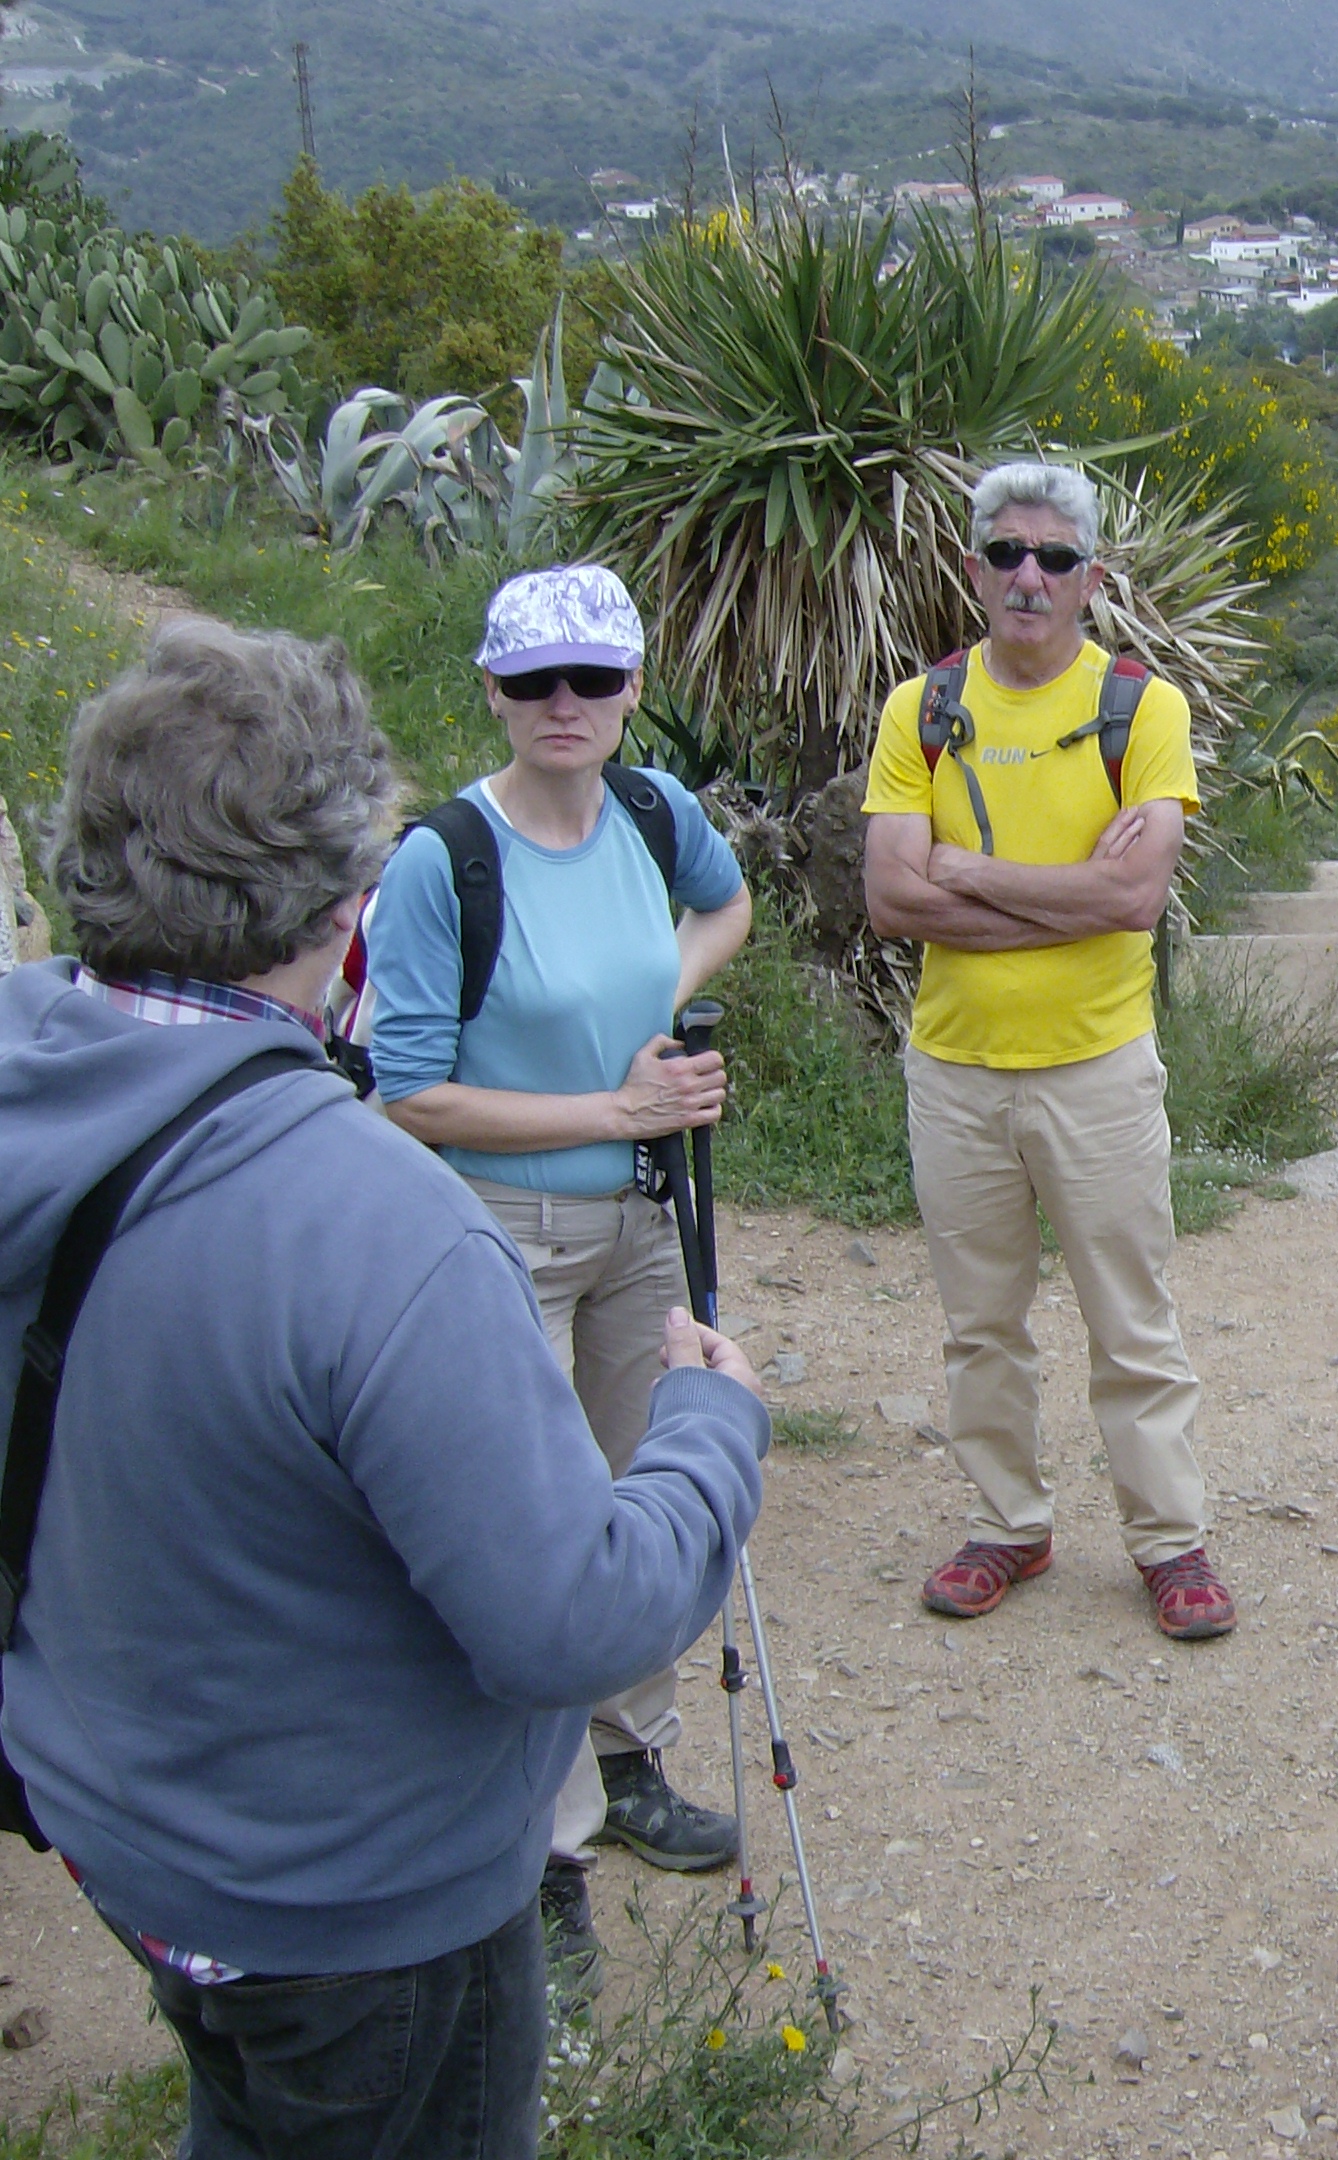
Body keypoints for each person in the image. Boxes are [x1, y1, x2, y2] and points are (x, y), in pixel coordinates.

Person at [4, 619, 768, 2158]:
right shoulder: (378, 1226)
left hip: (121, 1833)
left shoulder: (34, 1083)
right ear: (352, 902)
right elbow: (571, 1621)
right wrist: (709, 1429)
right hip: (353, 1907)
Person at [362, 562, 755, 1984]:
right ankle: (547, 1847)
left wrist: (658, 998)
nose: (563, 703)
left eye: (591, 676)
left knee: (644, 1483)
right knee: (531, 1531)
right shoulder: (444, 860)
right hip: (499, 1230)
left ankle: (631, 1752)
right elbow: (407, 1093)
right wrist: (616, 1105)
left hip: (645, 1219)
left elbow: (727, 904)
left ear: (634, 686)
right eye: (533, 680)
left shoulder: (654, 813)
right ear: (493, 690)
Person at [863, 458, 1233, 1641]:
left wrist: (966, 869)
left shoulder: (1142, 709)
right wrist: (1064, 894)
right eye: (1007, 553)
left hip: (1095, 1065)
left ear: (1092, 578)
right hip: (956, 1068)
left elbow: (1134, 899)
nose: (1029, 576)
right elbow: (891, 899)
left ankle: (1169, 1539)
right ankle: (1007, 1524)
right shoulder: (920, 709)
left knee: (1131, 1316)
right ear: (973, 569)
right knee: (981, 1319)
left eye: (1055, 557)